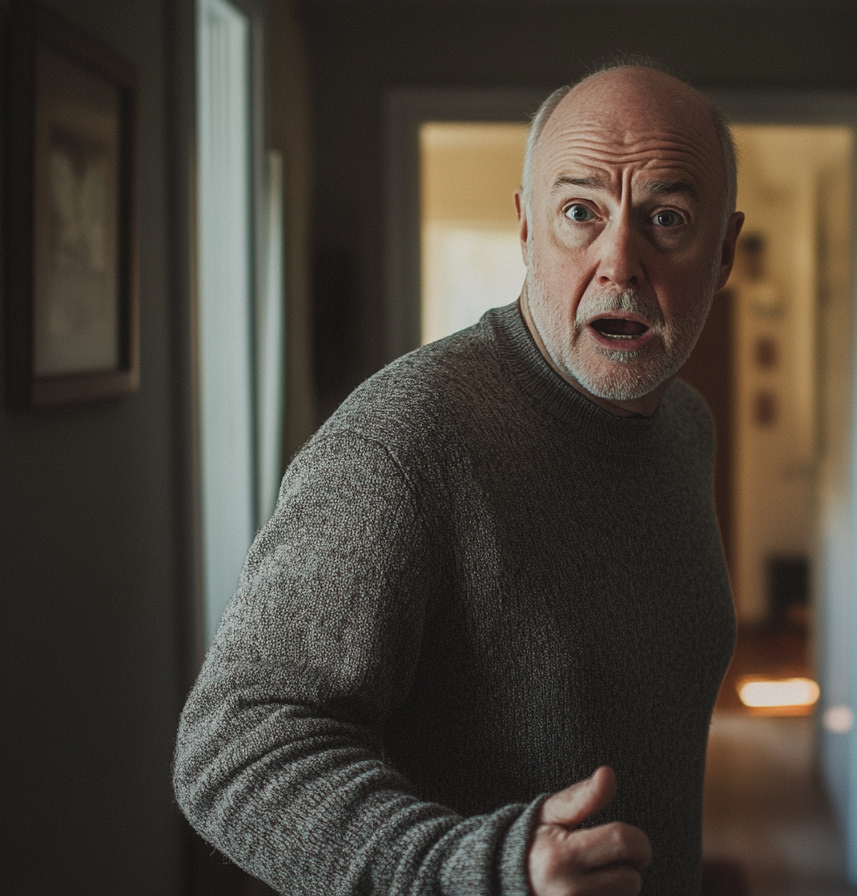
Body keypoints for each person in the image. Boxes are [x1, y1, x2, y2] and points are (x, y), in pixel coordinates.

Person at [174, 62, 746, 896]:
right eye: (579, 213)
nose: (619, 262)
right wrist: (487, 870)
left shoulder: (684, 425)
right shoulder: (406, 442)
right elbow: (232, 750)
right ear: (525, 230)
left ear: (724, 251)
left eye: (668, 218)